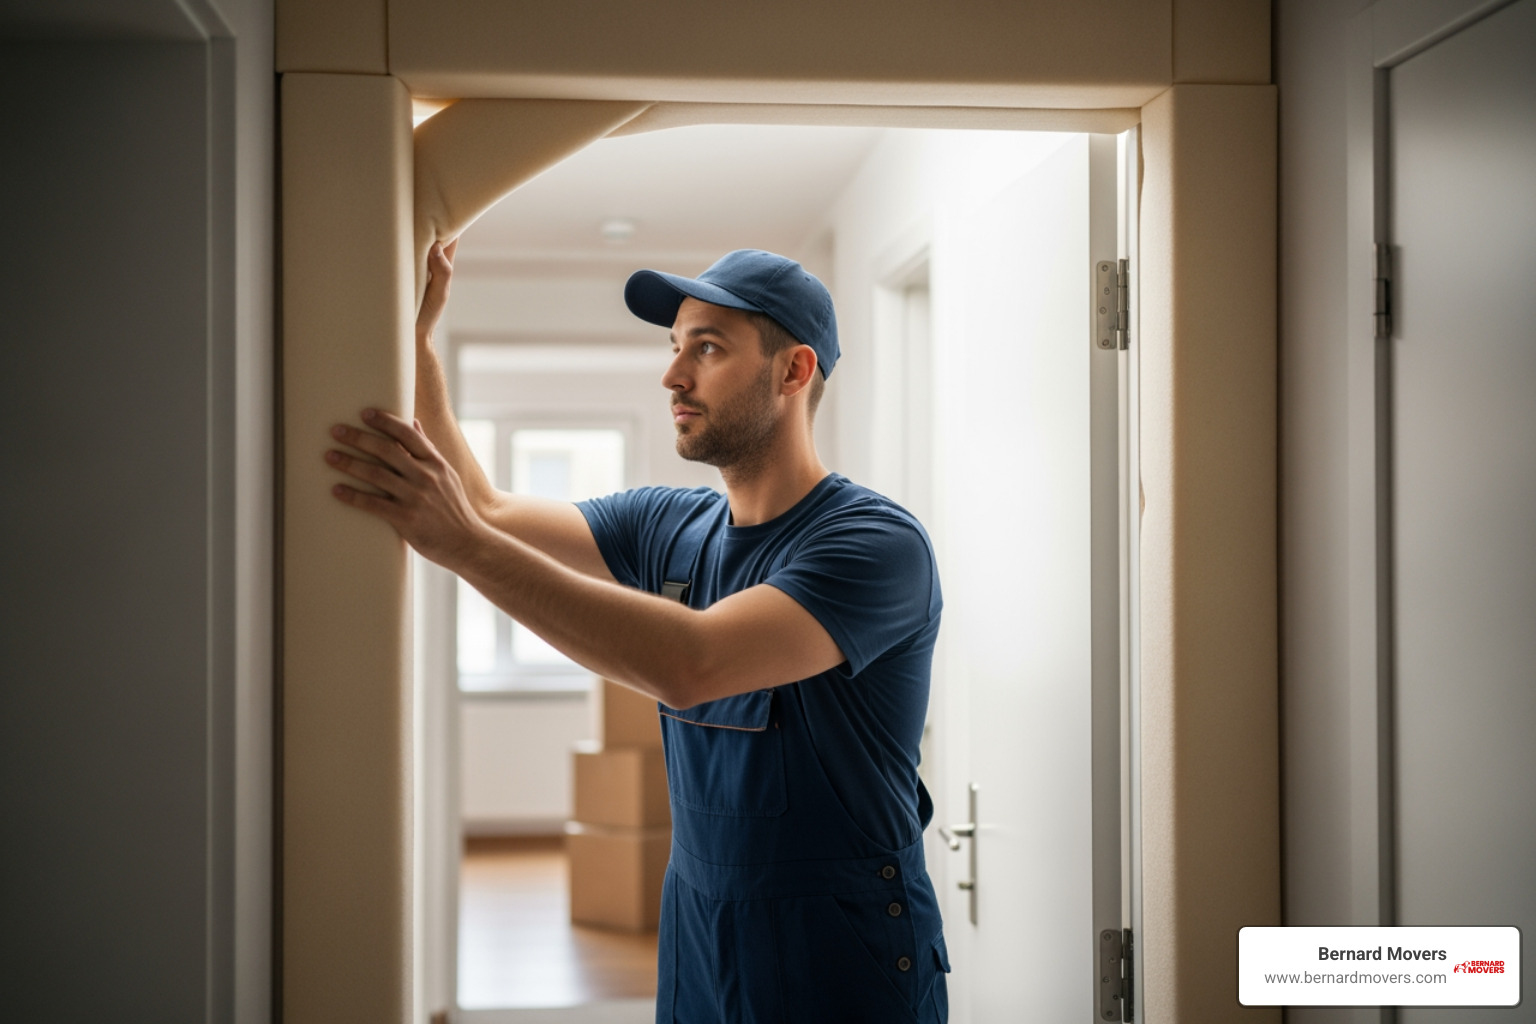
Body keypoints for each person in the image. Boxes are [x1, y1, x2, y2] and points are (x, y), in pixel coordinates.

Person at [326, 242, 951, 1023]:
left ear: (793, 372)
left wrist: (460, 544)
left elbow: (694, 661)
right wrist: (414, 343)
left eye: (708, 348)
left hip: (838, 943)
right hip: (699, 925)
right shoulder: (670, 524)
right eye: (675, 347)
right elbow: (484, 511)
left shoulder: (874, 545)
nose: (673, 376)